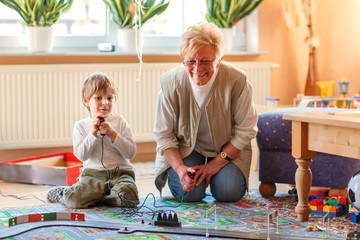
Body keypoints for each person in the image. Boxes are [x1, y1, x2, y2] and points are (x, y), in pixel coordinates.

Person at [153, 22, 258, 203]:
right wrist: (179, 169)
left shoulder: (238, 81)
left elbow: (245, 130)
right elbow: (164, 136)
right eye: (190, 61)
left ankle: (219, 177)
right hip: (187, 149)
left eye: (205, 61)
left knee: (228, 192)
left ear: (219, 60)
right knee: (189, 194)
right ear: (182, 59)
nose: (197, 69)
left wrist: (214, 165)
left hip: (226, 149)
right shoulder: (170, 84)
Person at [46, 72, 139, 208]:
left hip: (120, 174)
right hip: (93, 176)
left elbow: (130, 153)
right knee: (74, 200)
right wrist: (93, 134)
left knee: (130, 197)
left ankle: (98, 198)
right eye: (98, 98)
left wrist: (113, 134)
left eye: (110, 98)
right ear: (86, 101)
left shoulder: (120, 122)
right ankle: (65, 193)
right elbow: (81, 155)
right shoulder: (81, 126)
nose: (105, 103)